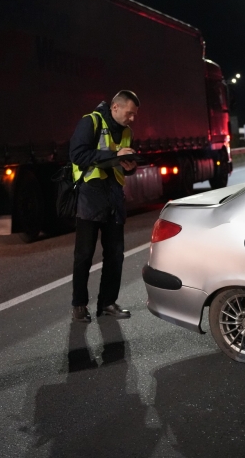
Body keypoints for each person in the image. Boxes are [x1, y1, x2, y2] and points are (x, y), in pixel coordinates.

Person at [69, 91, 140, 323]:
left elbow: (122, 161)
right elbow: (77, 154)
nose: (132, 119)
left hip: (113, 198)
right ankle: (79, 305)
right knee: (84, 256)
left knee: (115, 255)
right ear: (115, 108)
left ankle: (107, 303)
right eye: (129, 113)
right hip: (90, 197)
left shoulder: (127, 132)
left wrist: (129, 166)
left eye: (134, 115)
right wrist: (113, 154)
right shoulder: (91, 121)